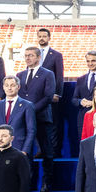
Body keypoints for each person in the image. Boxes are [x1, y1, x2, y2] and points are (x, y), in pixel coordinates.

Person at [17, 46, 58, 192]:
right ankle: (27, 182)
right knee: (25, 151)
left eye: (31, 55)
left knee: (46, 151)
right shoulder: (19, 74)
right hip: (23, 120)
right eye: (26, 55)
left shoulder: (48, 74)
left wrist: (30, 110)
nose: (28, 58)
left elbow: (48, 96)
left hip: (41, 118)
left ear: (38, 57)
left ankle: (47, 182)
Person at [34, 28, 64, 156]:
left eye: (44, 36)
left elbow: (59, 76)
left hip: (50, 96)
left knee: (52, 125)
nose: (42, 38)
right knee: (36, 124)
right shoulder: (33, 54)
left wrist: (57, 93)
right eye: (39, 36)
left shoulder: (56, 55)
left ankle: (52, 152)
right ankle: (40, 150)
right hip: (35, 97)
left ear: (49, 38)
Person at [0, 77, 37, 154]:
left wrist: (25, 150)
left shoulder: (27, 105)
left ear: (18, 87)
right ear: (3, 87)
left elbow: (31, 131)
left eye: (12, 85)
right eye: (7, 85)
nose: (9, 88)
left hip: (20, 150)